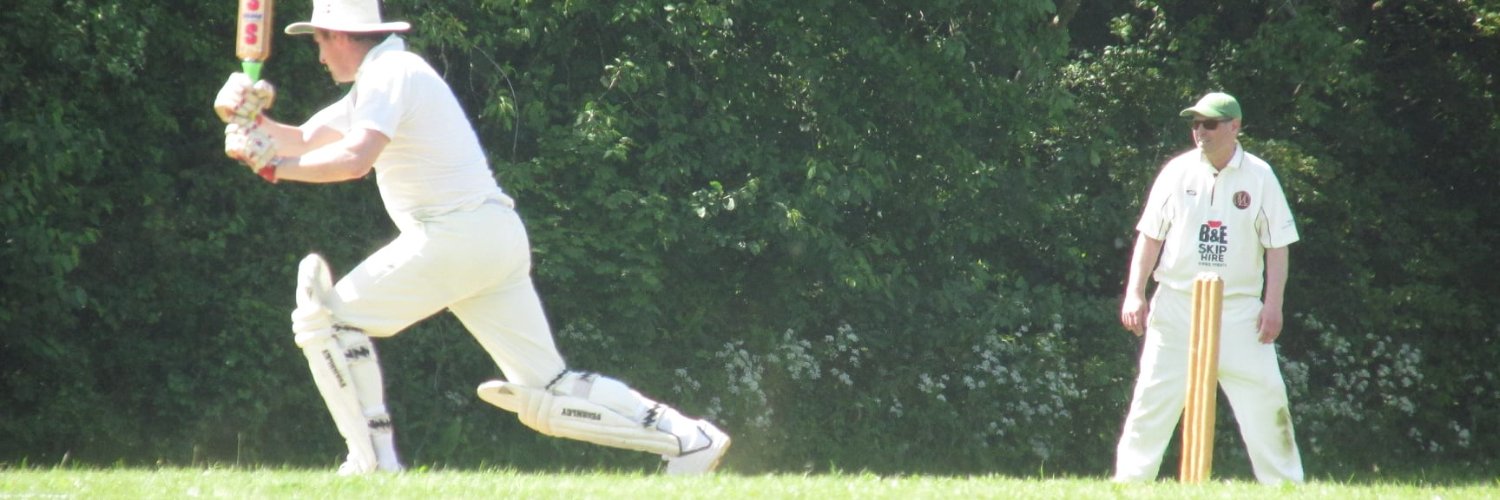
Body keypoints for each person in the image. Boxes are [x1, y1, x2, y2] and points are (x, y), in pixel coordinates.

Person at [214, 0, 729, 475]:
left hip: (454, 234)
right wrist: (243, 116)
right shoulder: (385, 78)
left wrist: (274, 165)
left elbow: (353, 161)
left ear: (341, 36)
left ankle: (372, 461)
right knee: (546, 392)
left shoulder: (391, 73)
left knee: (328, 320)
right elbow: (302, 137)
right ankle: (688, 438)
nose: (319, 56)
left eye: (319, 42)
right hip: (492, 239)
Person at [1113, 92, 1304, 484]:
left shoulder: (1260, 176)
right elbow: (1149, 238)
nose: (1201, 131)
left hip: (1238, 310)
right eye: (1196, 123)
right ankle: (1128, 486)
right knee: (1151, 398)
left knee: (1267, 400)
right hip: (1177, 305)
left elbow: (1277, 246)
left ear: (1235, 127)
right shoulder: (1176, 172)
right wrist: (1135, 293)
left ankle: (1286, 487)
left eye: (1211, 124)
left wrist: (1273, 305)